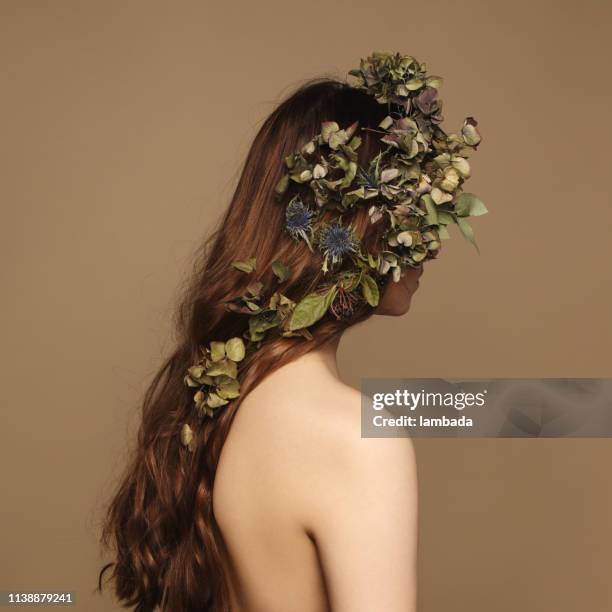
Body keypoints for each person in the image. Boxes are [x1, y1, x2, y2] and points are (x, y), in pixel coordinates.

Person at [100, 52, 482, 611]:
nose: (435, 241)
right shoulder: (352, 437)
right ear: (351, 221)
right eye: (412, 213)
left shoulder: (225, 404)